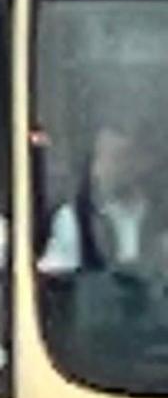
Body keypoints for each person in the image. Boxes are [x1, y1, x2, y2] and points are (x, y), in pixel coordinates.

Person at [42, 117, 166, 278]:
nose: (112, 168)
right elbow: (57, 281)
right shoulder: (74, 219)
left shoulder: (161, 215)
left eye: (123, 158)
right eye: (106, 158)